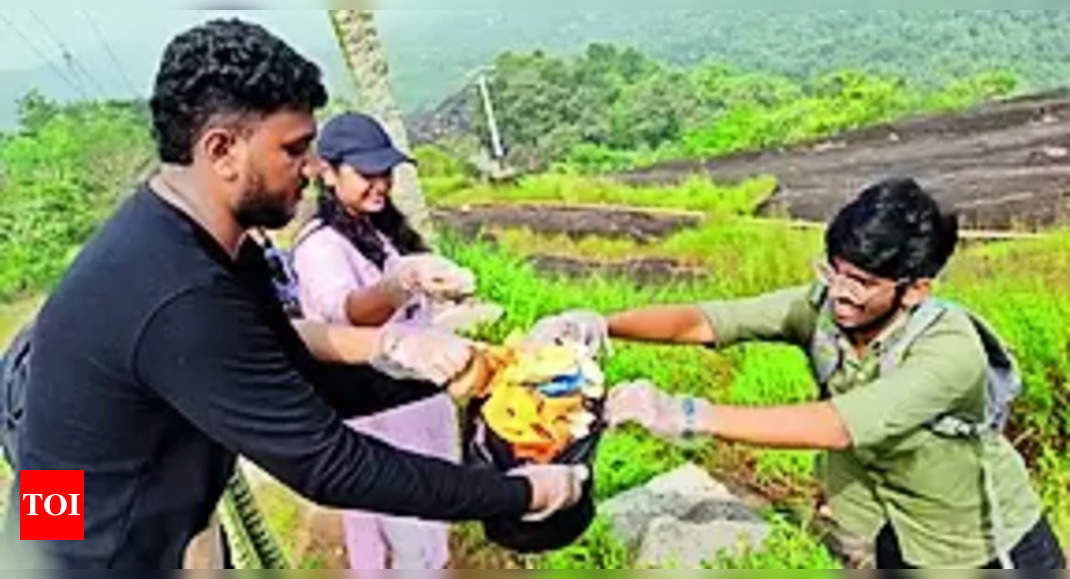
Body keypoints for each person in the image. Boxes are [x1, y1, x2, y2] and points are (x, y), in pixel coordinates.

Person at [3, 19, 584, 568]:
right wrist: (514, 491)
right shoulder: (178, 291)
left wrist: (450, 368)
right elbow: (325, 461)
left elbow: (295, 378)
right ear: (221, 150)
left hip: (117, 517)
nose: (310, 168)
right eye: (293, 149)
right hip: (74, 551)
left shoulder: (215, 245)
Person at [531, 178, 1066, 569]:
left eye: (860, 281)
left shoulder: (949, 350)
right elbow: (709, 321)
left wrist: (684, 414)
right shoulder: (826, 308)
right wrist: (601, 322)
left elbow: (838, 425)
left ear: (915, 288)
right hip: (884, 527)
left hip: (979, 545)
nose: (839, 292)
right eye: (832, 270)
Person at [290, 112, 470, 569]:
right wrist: (402, 283)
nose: (380, 185)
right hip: (378, 414)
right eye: (367, 174)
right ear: (328, 174)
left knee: (430, 526)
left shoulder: (380, 231)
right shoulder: (321, 246)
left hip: (418, 403)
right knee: (404, 539)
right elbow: (344, 313)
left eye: (385, 173)